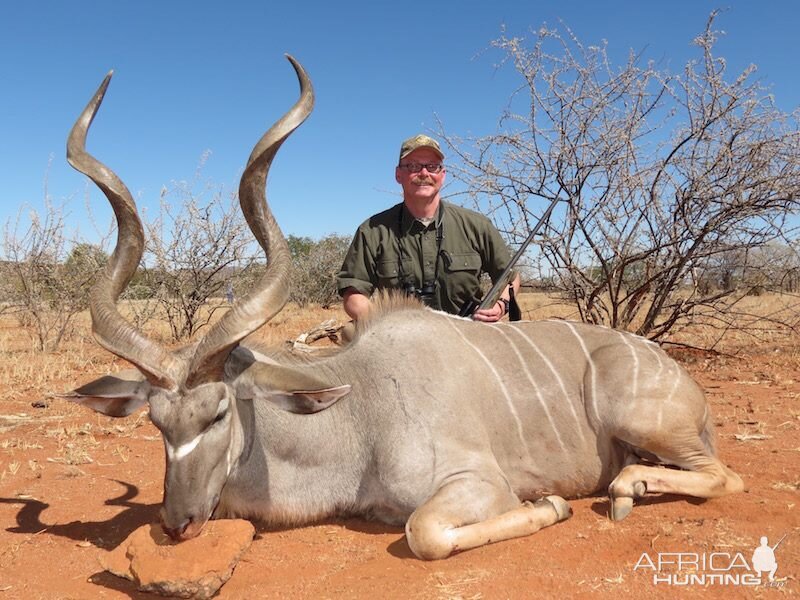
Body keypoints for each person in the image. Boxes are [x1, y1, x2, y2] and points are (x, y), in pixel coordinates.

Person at [337, 134, 520, 322]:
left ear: (442, 175)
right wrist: (387, 324)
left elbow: (510, 278)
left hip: (467, 337)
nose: (424, 173)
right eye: (413, 166)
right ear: (398, 174)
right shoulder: (372, 230)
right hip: (402, 340)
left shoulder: (477, 225)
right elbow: (353, 294)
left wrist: (500, 305)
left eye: (432, 166)